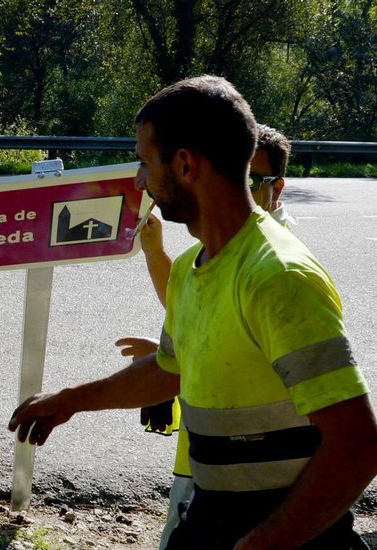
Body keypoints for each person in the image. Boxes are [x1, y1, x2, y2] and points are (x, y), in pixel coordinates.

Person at [9, 76, 377, 548]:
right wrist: (70, 400)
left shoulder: (280, 278)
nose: (140, 180)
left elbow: (360, 446)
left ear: (184, 164)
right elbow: (172, 369)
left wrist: (262, 544)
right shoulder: (189, 267)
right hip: (212, 515)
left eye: (145, 162)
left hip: (293, 530)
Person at [116, 122, 298, 548]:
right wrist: (171, 351)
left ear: (278, 186)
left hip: (247, 477)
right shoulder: (225, 241)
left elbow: (356, 438)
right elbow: (195, 311)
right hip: (207, 456)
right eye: (239, 175)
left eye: (256, 180)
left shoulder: (277, 262)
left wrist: (173, 359)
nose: (245, 188)